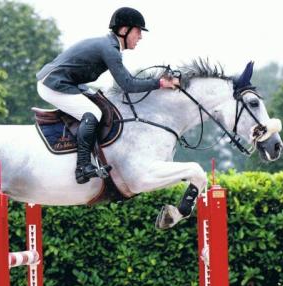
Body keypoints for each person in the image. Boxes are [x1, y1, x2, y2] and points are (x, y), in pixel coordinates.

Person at [36, 7, 180, 184]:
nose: (140, 37)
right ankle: (82, 167)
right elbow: (127, 84)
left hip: (65, 82)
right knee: (93, 113)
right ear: (124, 30)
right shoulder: (109, 49)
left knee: (102, 102)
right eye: (138, 31)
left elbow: (128, 80)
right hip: (53, 84)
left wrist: (158, 82)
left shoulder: (110, 46)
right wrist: (160, 83)